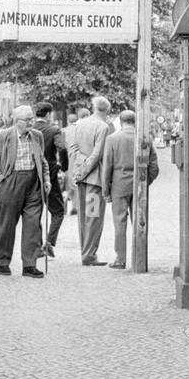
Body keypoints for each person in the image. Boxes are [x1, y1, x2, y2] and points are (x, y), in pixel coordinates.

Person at [0, 105, 49, 277]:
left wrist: (46, 180)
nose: (31, 122)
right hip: (11, 182)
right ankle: (4, 261)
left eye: (32, 118)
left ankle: (29, 265)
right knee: (7, 225)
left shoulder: (37, 136)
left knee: (33, 226)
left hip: (33, 184)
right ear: (17, 121)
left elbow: (43, 161)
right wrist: (2, 182)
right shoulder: (3, 136)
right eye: (27, 120)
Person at [101, 110, 160, 269]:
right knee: (140, 221)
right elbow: (154, 165)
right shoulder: (144, 138)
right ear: (135, 121)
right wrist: (147, 181)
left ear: (121, 122)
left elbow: (107, 166)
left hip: (119, 186)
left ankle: (120, 259)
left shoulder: (112, 139)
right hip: (139, 184)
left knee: (119, 223)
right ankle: (139, 258)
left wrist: (105, 189)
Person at [71, 97, 111, 265]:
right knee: (93, 217)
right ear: (107, 110)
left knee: (82, 216)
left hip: (80, 176)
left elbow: (73, 148)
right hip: (94, 179)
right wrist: (85, 171)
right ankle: (89, 255)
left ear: (93, 107)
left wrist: (78, 170)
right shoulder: (103, 127)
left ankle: (85, 251)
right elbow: (97, 154)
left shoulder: (80, 124)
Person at [31, 102, 70, 256]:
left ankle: (35, 245)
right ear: (48, 114)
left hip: (30, 174)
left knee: (34, 211)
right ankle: (49, 242)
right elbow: (62, 149)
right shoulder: (54, 130)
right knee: (58, 210)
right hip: (50, 174)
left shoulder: (29, 128)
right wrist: (63, 166)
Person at [61, 111, 80, 215]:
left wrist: (63, 166)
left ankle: (64, 203)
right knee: (75, 185)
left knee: (67, 186)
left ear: (68, 121)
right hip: (78, 162)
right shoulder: (80, 130)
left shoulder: (64, 131)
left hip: (68, 162)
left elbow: (62, 149)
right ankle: (75, 206)